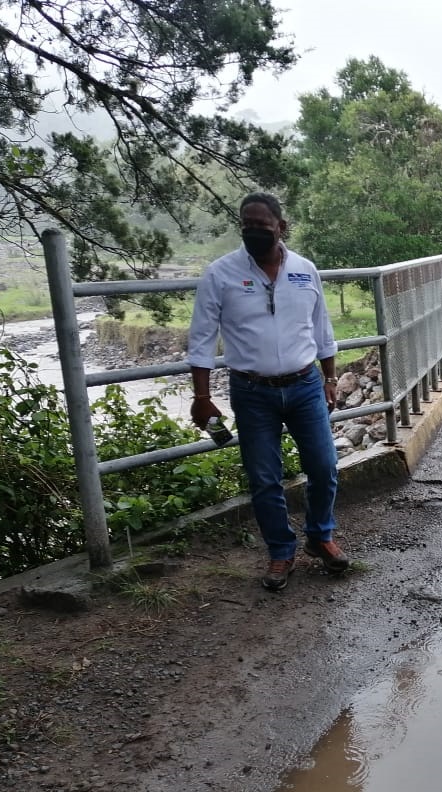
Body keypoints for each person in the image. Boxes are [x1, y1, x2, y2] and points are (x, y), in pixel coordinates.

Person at [187, 192, 348, 591]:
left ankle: (320, 536)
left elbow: (322, 329)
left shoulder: (305, 270)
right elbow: (203, 338)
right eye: (247, 224)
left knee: (324, 466)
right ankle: (280, 552)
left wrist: (330, 379)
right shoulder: (220, 274)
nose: (254, 230)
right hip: (251, 391)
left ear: (281, 227)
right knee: (263, 478)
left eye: (262, 224)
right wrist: (202, 396)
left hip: (306, 385)